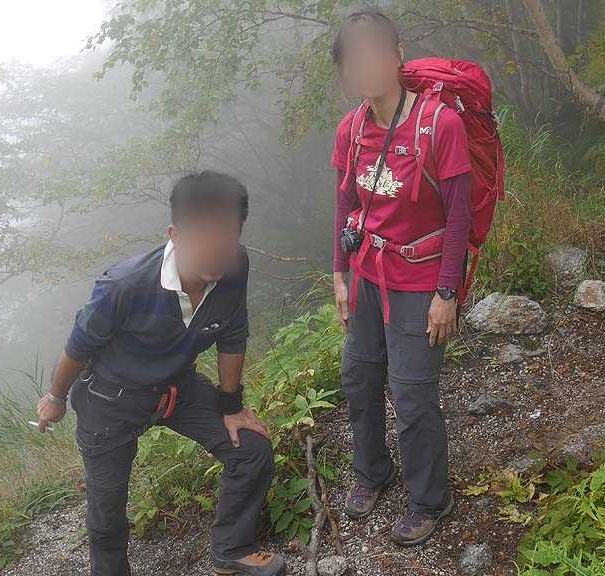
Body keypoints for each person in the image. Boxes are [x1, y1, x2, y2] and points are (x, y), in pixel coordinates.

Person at [35, 171, 285, 576]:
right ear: (175, 235)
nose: (216, 250)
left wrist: (231, 406)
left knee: (251, 449)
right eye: (203, 237)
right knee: (107, 510)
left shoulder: (235, 267)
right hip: (109, 400)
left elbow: (233, 333)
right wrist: (56, 398)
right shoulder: (125, 285)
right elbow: (78, 346)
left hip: (175, 387)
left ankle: (232, 549)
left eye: (226, 236)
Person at [330, 10, 472, 547]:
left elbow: (458, 216)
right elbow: (345, 205)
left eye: (374, 52)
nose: (365, 66)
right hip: (367, 275)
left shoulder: (440, 125)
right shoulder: (351, 130)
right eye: (354, 59)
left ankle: (430, 498)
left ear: (397, 55)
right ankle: (372, 471)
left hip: (420, 281)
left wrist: (447, 293)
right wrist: (339, 274)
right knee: (359, 380)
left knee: (412, 395)